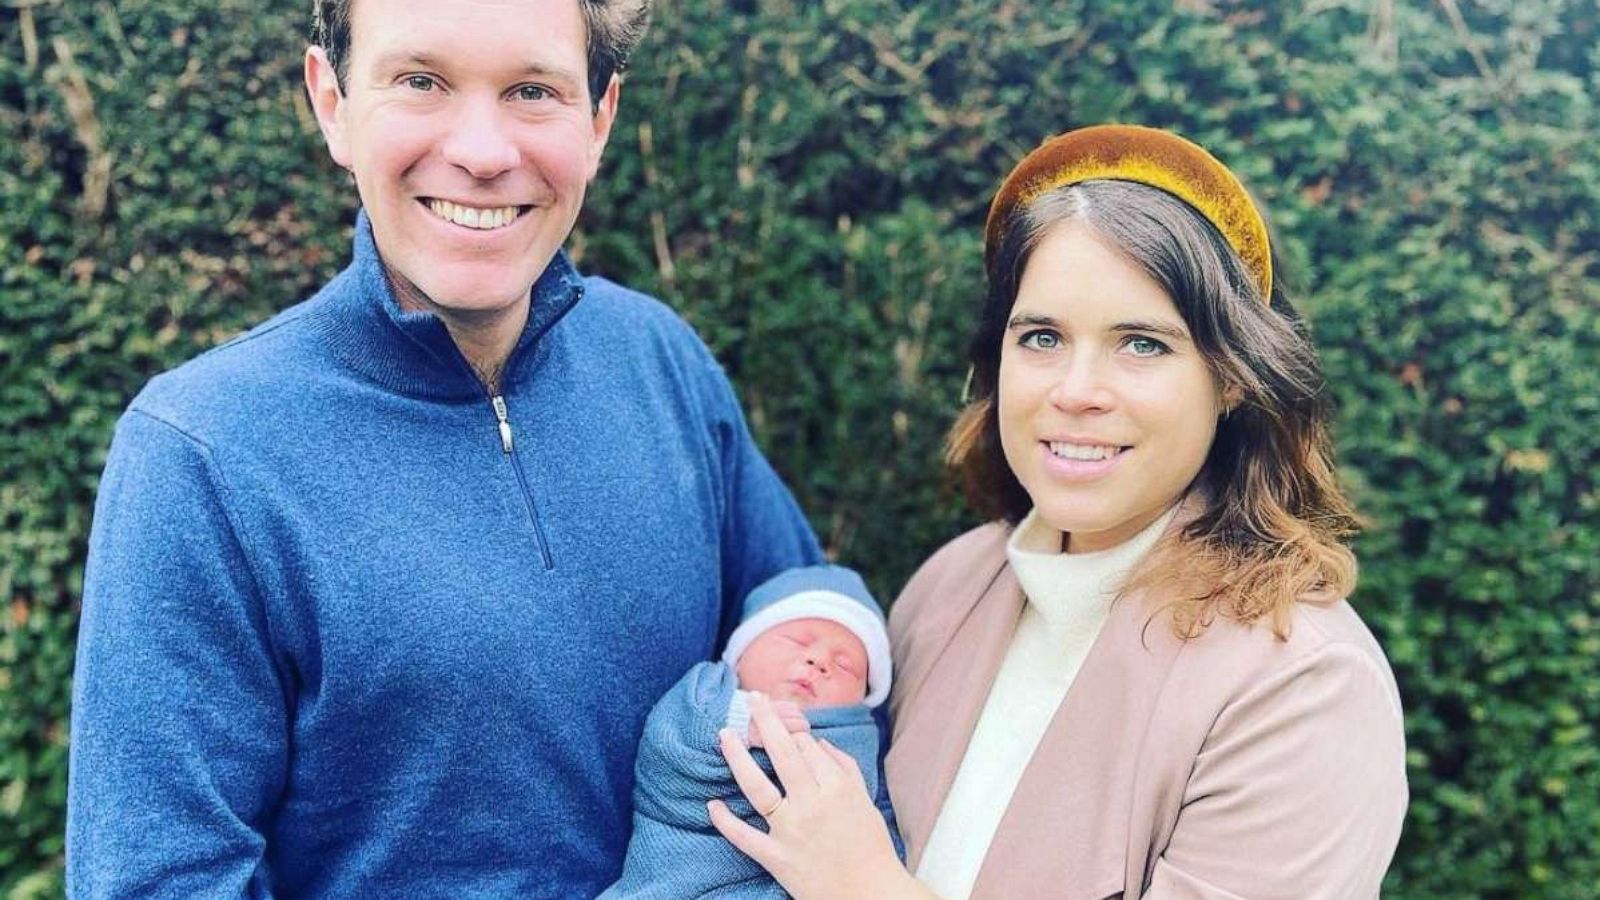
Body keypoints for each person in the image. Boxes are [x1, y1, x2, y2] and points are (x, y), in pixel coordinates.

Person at [65, 0, 829, 895]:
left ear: (600, 119)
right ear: (333, 101)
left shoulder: (661, 361)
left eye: (532, 90)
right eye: (421, 81)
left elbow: (817, 650)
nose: (482, 150)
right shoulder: (200, 452)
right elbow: (163, 880)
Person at [709, 124, 1409, 899]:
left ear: (1234, 377)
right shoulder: (950, 585)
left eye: (1141, 344)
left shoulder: (1303, 688)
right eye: (1041, 336)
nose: (1075, 390)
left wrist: (862, 888)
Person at [601, 564, 895, 899]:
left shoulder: (861, 739)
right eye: (796, 640)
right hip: (681, 864)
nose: (818, 661)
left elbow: (878, 823)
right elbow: (666, 749)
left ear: (864, 698)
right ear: (740, 655)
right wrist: (741, 720)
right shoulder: (706, 690)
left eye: (846, 666)